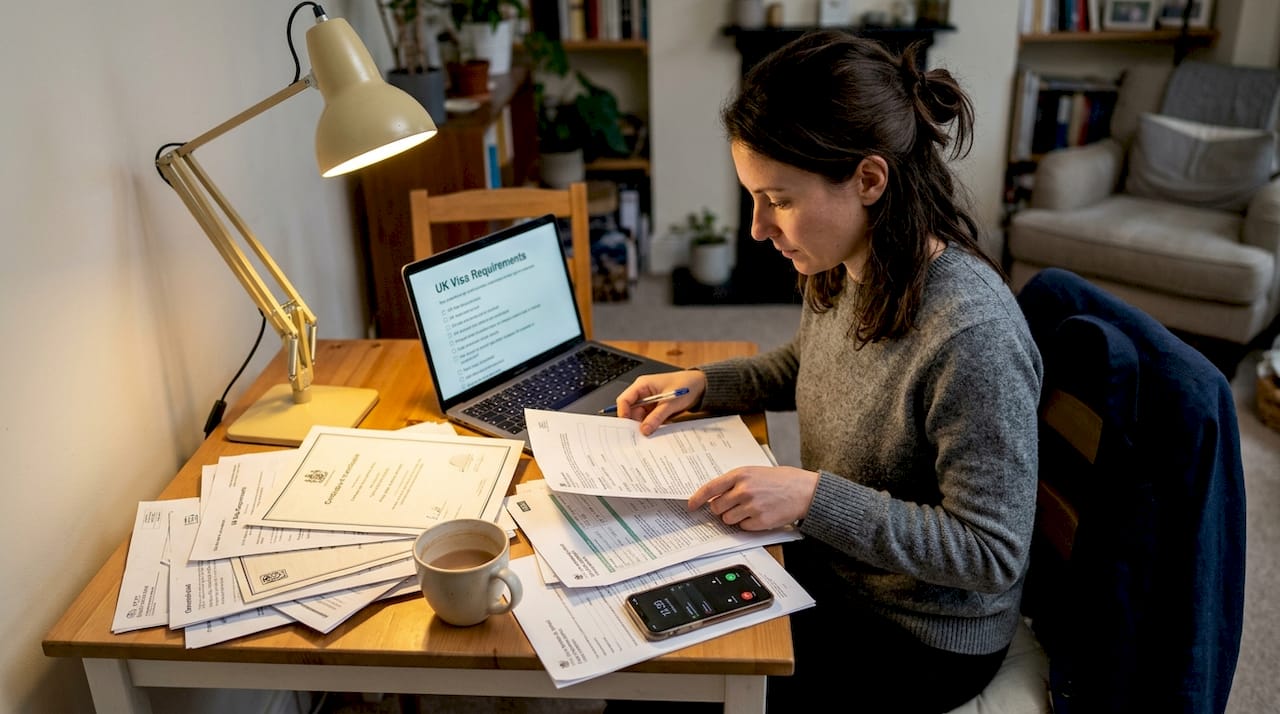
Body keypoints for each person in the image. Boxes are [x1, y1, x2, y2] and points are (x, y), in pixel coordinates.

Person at [608, 31, 1043, 713]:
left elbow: (990, 551)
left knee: (671, 682)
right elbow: (808, 365)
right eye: (753, 197)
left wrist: (812, 498)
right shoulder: (845, 263)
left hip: (921, 636)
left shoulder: (973, 336)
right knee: (642, 624)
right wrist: (706, 383)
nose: (758, 228)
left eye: (778, 199)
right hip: (835, 565)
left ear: (869, 180)